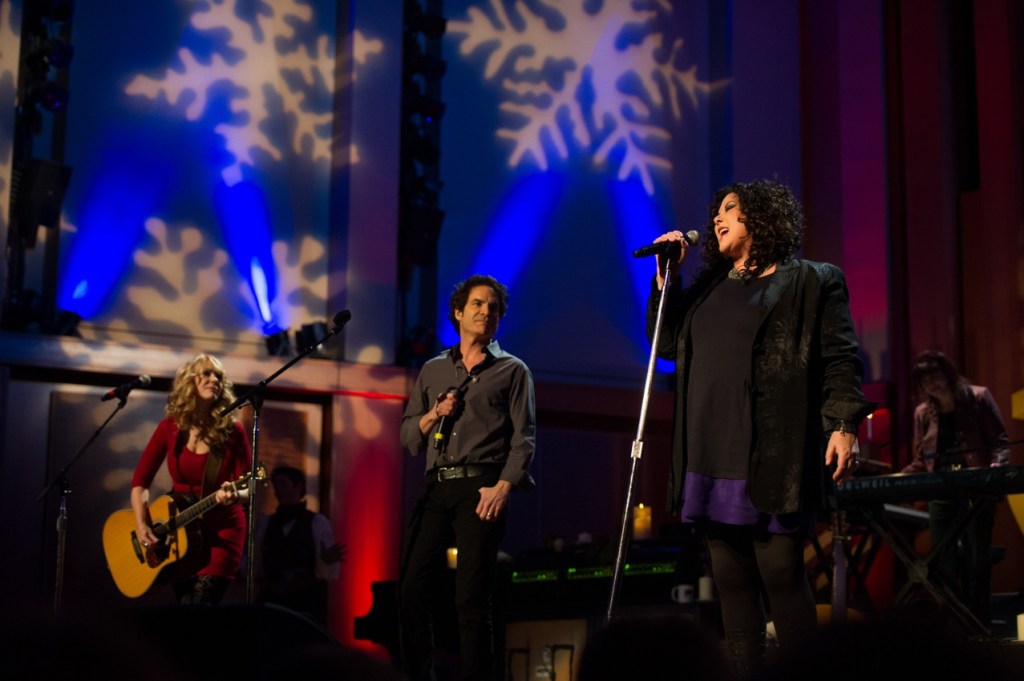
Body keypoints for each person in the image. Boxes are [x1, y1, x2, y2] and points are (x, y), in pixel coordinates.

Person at [646, 179, 874, 676]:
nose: (716, 219)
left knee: (782, 572)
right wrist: (666, 281)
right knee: (730, 580)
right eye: (715, 213)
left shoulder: (813, 281)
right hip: (708, 446)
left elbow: (839, 359)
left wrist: (842, 424)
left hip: (772, 446)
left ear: (763, 218)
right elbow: (664, 348)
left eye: (730, 209)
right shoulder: (705, 289)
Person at [399, 274, 536, 681]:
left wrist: (504, 486)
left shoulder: (513, 370)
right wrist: (432, 414)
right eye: (477, 304)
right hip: (438, 487)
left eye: (493, 308)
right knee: (410, 591)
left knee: (471, 601)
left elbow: (524, 438)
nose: (486, 312)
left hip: (482, 487)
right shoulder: (433, 369)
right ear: (458, 312)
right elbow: (408, 437)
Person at [900, 349, 1009, 628]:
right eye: (924, 381)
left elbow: (999, 442)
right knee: (941, 561)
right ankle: (955, 625)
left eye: (934, 376)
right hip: (942, 492)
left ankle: (980, 625)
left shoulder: (979, 397)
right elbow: (921, 460)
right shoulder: (922, 413)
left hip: (977, 491)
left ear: (947, 374)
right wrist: (897, 477)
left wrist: (994, 471)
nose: (930, 384)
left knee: (978, 561)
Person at [130, 353, 251, 605]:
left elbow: (250, 485)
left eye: (218, 375)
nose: (213, 379)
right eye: (206, 373)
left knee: (199, 607)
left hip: (222, 533)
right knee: (185, 614)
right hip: (181, 536)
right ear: (189, 382)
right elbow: (140, 482)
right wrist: (142, 525)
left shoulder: (232, 430)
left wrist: (233, 495)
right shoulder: (170, 427)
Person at [258, 464, 345, 626]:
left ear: (298, 487)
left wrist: (326, 560)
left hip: (305, 603)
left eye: (283, 484)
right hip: (273, 603)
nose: (278, 490)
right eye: (276, 485)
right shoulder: (267, 524)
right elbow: (259, 563)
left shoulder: (317, 522)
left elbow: (324, 572)